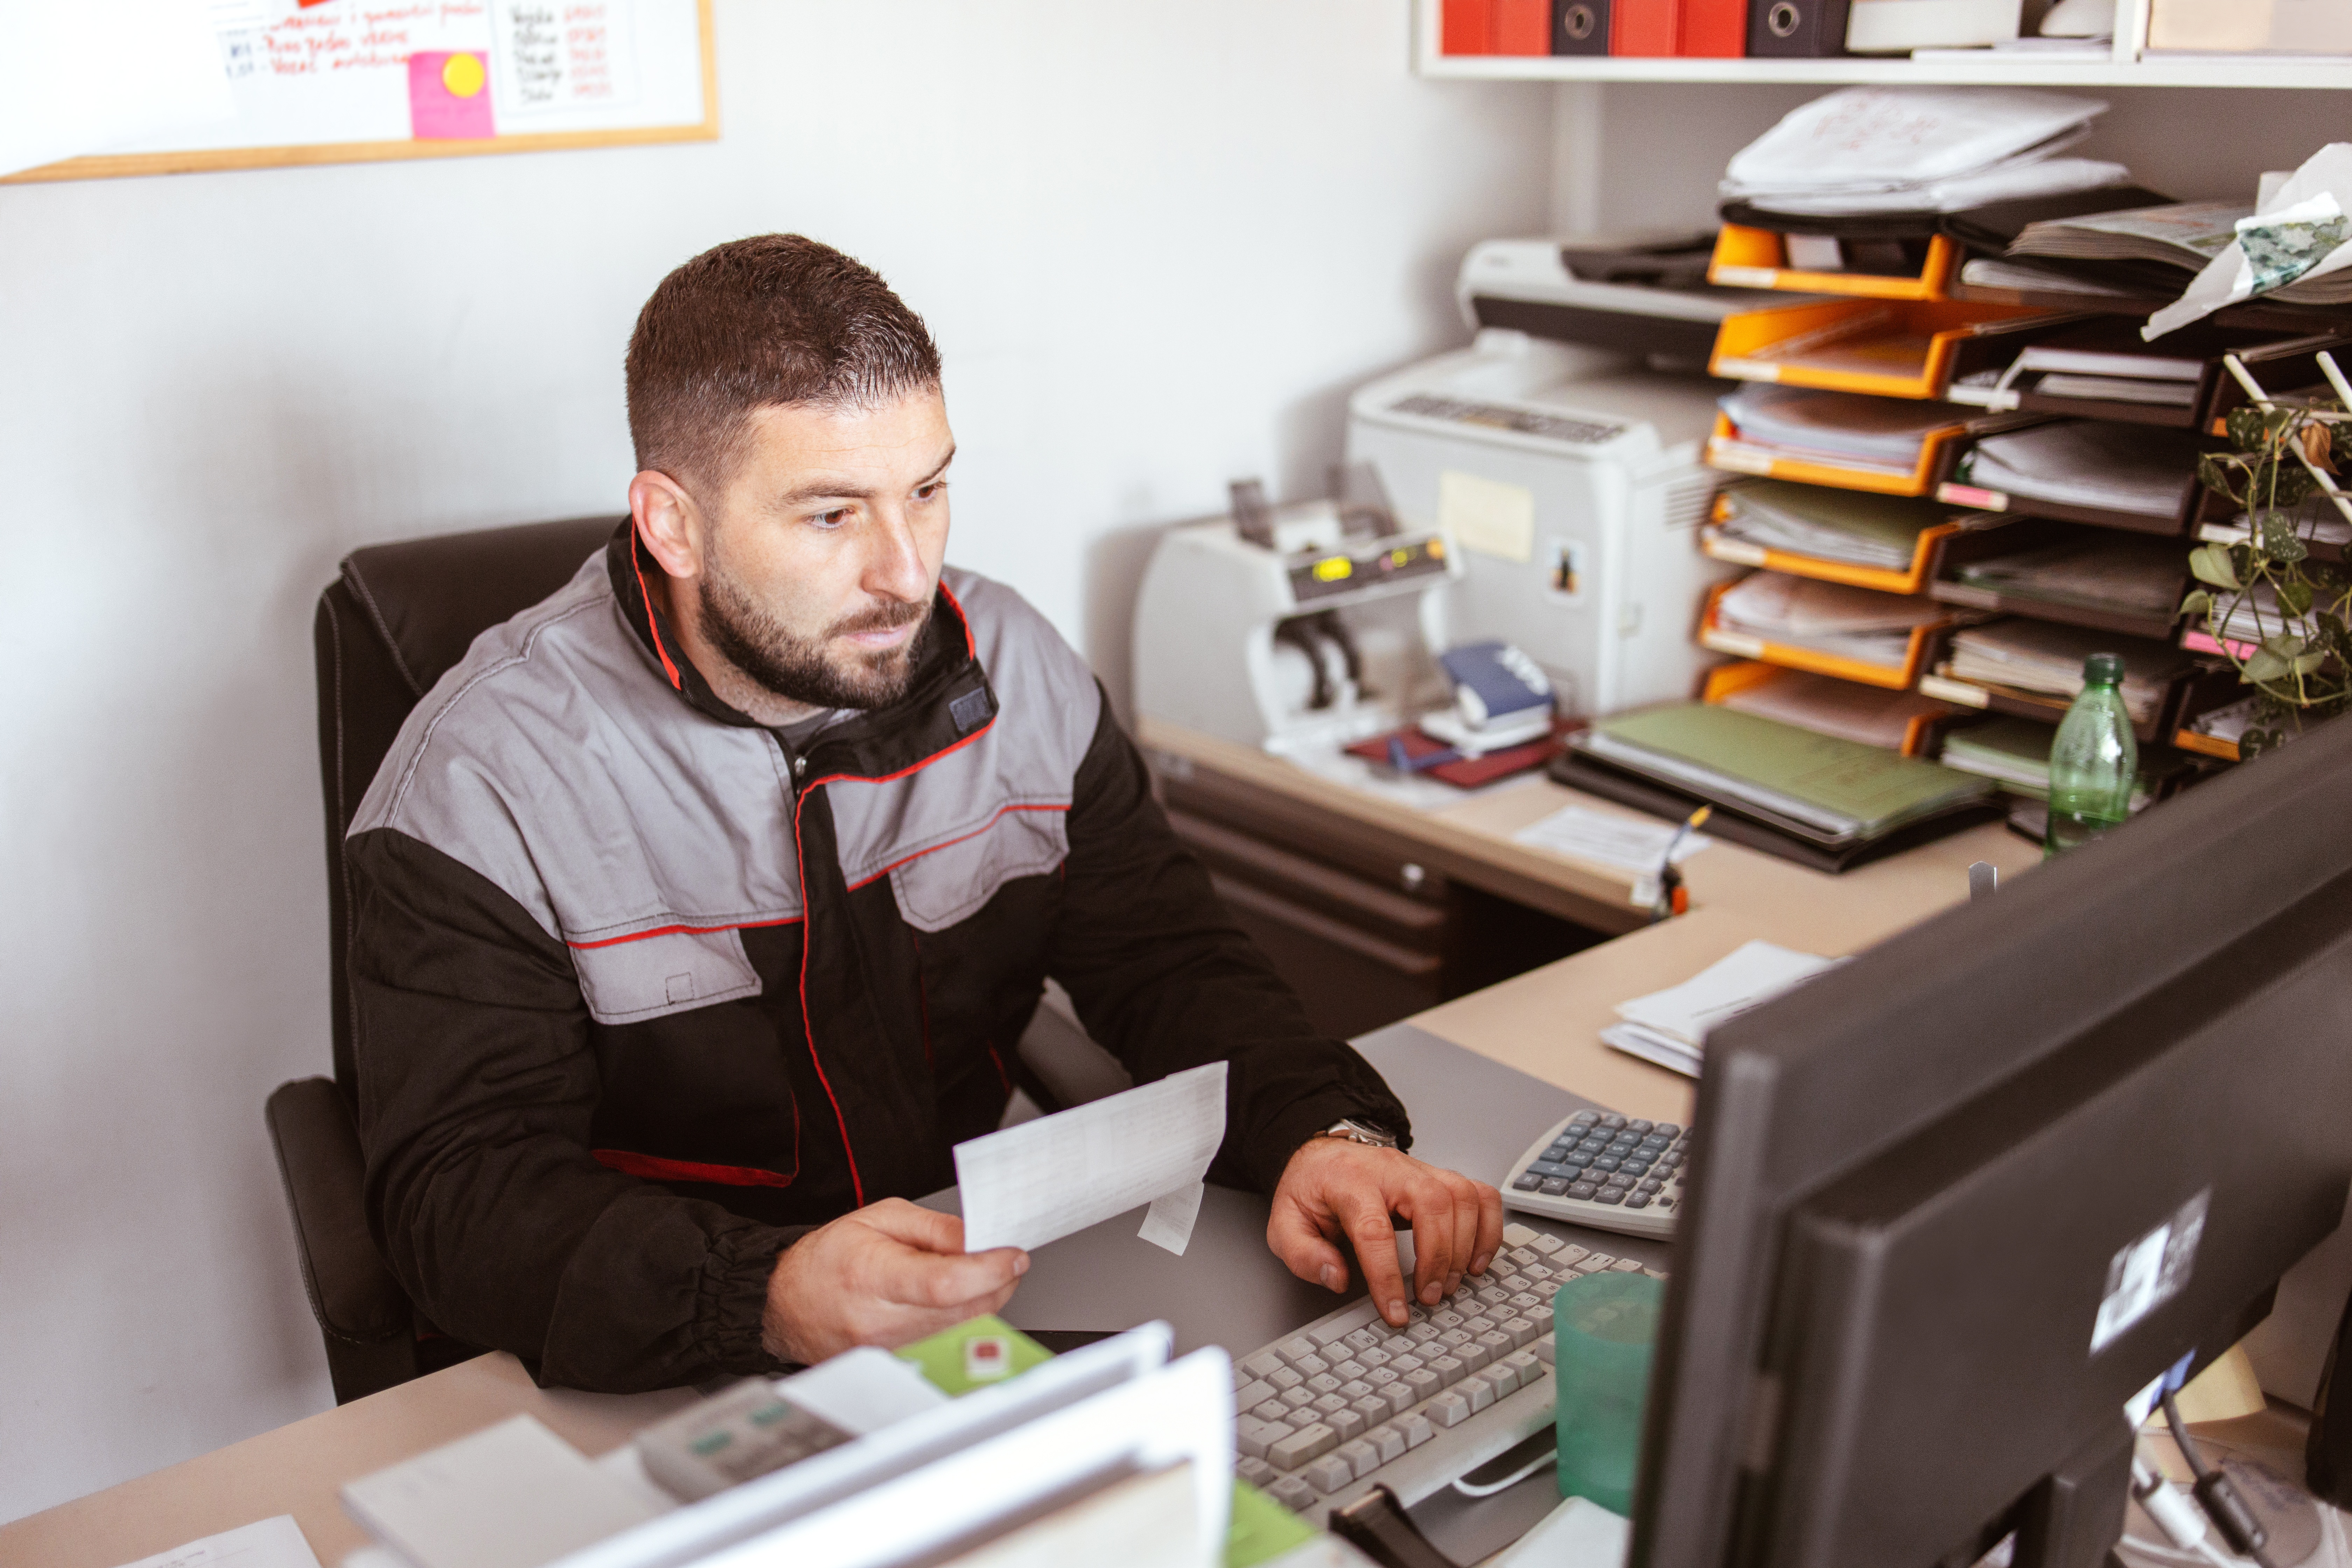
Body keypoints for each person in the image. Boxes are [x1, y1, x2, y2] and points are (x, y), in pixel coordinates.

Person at [348, 234, 1503, 1392]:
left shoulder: (1013, 666)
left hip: (978, 1292)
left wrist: (1320, 1129)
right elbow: (461, 1187)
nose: (907, 573)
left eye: (929, 490)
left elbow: (1165, 954)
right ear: (673, 526)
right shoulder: (479, 783)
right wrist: (767, 1296)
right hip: (669, 1361)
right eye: (830, 515)